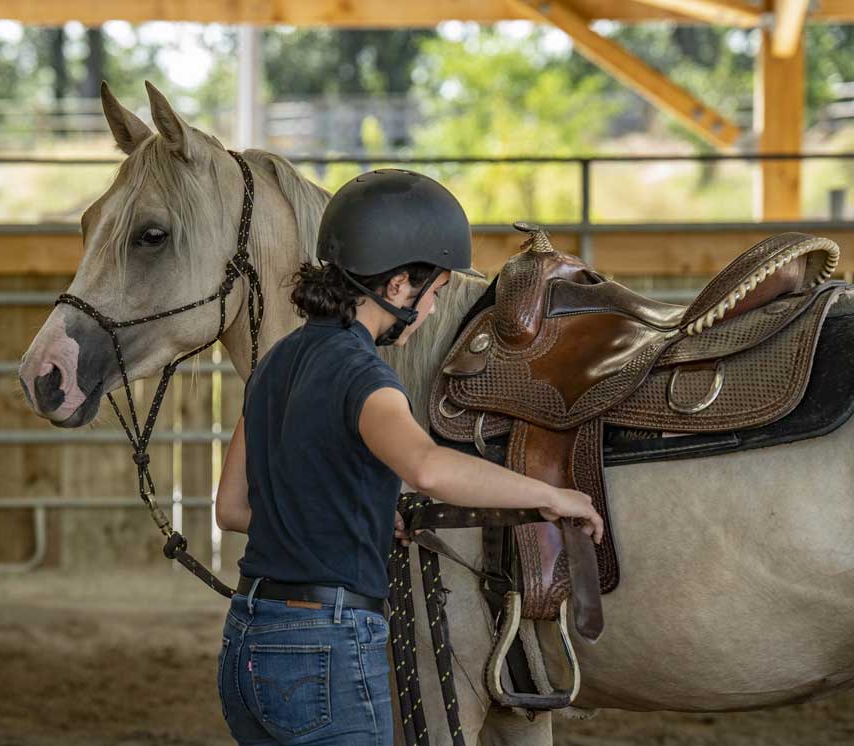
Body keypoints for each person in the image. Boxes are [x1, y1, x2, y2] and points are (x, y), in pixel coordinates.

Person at [213, 169, 603, 746]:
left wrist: (360, 517)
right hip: (328, 646)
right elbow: (427, 467)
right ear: (398, 287)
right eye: (437, 293)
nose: (430, 313)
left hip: (248, 641)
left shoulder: (273, 363)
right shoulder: (366, 375)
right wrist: (550, 496)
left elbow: (231, 508)